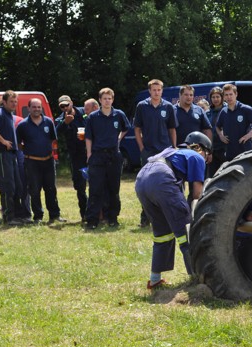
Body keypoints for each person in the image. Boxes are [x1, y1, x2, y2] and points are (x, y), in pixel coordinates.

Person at [135, 131, 211, 289]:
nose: (206, 159)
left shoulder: (173, 151)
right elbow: (197, 194)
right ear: (202, 149)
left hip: (142, 179)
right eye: (207, 155)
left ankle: (154, 279)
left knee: (162, 234)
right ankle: (197, 279)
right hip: (162, 180)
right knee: (186, 231)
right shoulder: (196, 156)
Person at [134, 79, 178, 227]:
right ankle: (145, 219)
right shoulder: (142, 106)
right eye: (154, 90)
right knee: (145, 184)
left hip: (165, 150)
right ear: (149, 91)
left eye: (159, 90)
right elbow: (137, 129)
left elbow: (172, 129)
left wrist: (174, 147)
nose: (157, 92)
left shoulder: (168, 106)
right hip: (148, 151)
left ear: (162, 91)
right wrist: (141, 148)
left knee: (165, 182)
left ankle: (166, 217)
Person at [84, 87, 130, 229]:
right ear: (100, 100)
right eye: (104, 98)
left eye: (109, 98)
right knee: (95, 189)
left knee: (113, 189)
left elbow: (126, 127)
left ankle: (112, 218)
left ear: (112, 100)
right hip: (97, 155)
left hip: (114, 155)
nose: (107, 101)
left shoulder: (119, 115)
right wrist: (89, 154)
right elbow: (88, 137)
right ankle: (92, 220)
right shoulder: (93, 117)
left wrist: (118, 138)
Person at [17, 98, 65, 224]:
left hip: (48, 161)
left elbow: (52, 140)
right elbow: (18, 144)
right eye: (34, 107)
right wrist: (29, 151)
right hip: (31, 162)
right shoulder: (22, 125)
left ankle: (54, 215)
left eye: (39, 107)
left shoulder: (48, 122)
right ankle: (38, 217)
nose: (37, 109)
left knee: (51, 189)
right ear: (29, 109)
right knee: (34, 190)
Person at [0, 90, 28, 226]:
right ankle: (8, 217)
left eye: (16, 102)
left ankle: (17, 215)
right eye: (11, 101)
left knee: (17, 186)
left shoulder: (9, 114)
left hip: (11, 155)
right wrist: (3, 141)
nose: (14, 104)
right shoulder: (0, 114)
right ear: (4, 102)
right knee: (7, 187)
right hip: (2, 155)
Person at [55, 95, 88, 221]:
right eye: (62, 106)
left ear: (71, 103)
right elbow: (55, 133)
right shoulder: (60, 119)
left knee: (97, 182)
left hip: (90, 152)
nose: (64, 108)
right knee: (80, 186)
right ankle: (84, 214)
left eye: (66, 105)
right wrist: (65, 123)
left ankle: (100, 213)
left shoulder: (83, 112)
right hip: (76, 156)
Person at [216, 83, 252, 161]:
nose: (229, 97)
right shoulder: (224, 111)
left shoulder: (244, 108)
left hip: (245, 152)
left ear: (236, 94)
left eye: (231, 94)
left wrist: (251, 133)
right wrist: (221, 135)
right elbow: (217, 126)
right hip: (230, 153)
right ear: (223, 97)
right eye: (226, 95)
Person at [206, 87, 226, 177]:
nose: (215, 99)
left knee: (226, 175)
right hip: (212, 150)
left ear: (222, 97)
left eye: (217, 97)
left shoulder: (228, 110)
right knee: (212, 176)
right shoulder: (207, 113)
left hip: (225, 148)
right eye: (213, 97)